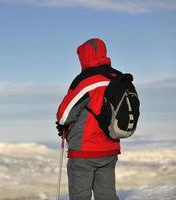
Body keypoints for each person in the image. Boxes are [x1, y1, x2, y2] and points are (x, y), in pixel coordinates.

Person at [56, 38, 120, 200]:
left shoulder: (86, 81)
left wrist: (62, 125)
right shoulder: (117, 78)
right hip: (110, 148)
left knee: (80, 195)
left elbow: (64, 115)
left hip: (84, 150)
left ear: (84, 57)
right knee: (107, 195)